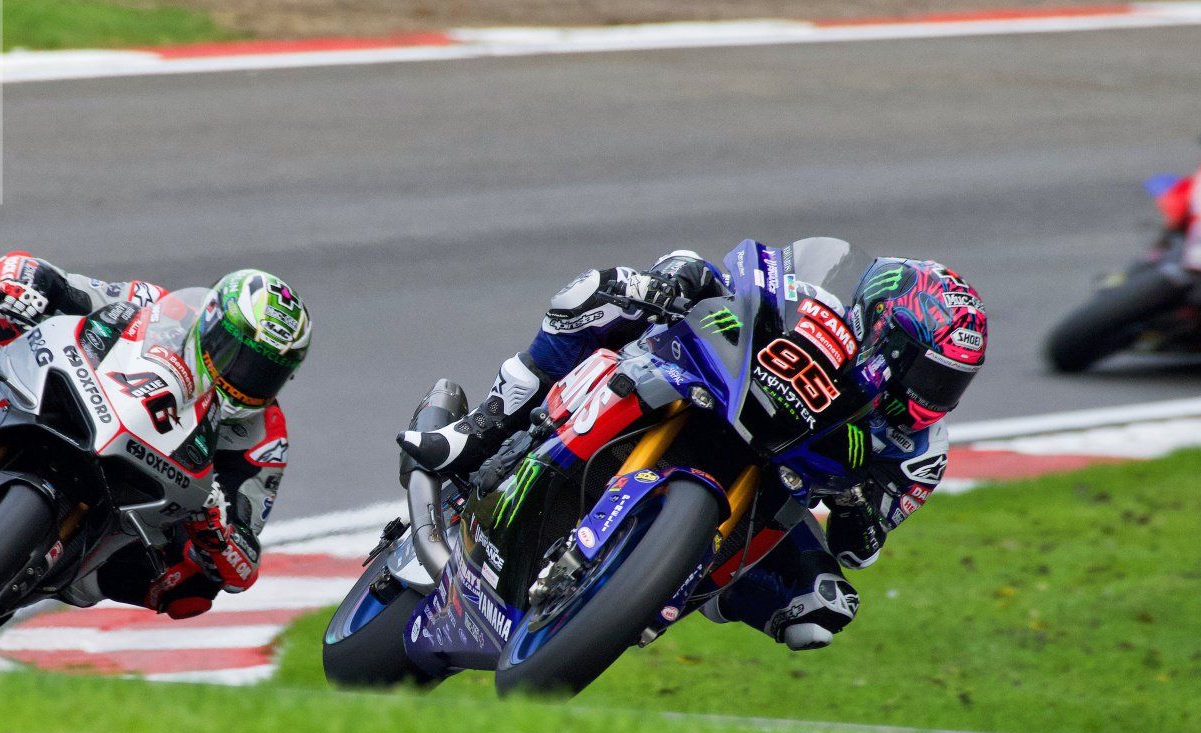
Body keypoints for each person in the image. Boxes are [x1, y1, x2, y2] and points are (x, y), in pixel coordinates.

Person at [400, 247, 986, 650]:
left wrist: (858, 504)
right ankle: (475, 434)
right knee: (600, 293)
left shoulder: (919, 448)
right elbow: (729, 278)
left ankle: (664, 590)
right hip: (706, 394)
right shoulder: (817, 305)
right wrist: (679, 281)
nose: (936, 398)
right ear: (888, 329)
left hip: (770, 489)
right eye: (932, 376)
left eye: (953, 384)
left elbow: (862, 549)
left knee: (822, 609)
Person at [0, 252, 310, 619]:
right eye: (237, 355)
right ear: (209, 324)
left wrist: (218, 533)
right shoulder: (157, 307)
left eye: (263, 373)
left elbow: (243, 565)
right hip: (78, 401)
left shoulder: (263, 437)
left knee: (193, 591)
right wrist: (23, 285)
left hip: (140, 498)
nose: (242, 378)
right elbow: (52, 279)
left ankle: (22, 577)